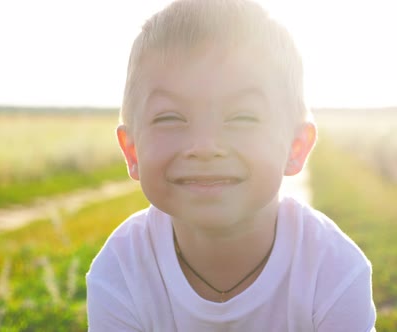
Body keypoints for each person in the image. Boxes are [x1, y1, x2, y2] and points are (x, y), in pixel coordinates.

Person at [86, 0, 377, 330]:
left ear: (295, 148)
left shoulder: (333, 270)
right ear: (133, 151)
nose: (205, 147)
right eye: (170, 117)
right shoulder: (122, 269)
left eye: (242, 117)